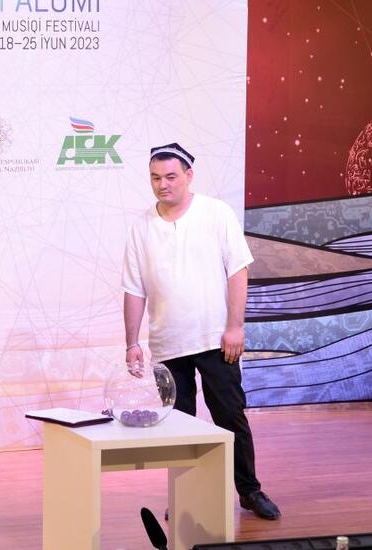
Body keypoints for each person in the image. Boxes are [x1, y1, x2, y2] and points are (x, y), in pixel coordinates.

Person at [121, 143, 281, 520]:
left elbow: (237, 270)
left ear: (189, 176)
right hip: (167, 345)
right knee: (179, 426)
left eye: (170, 177)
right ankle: (185, 496)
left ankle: (249, 491)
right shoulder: (141, 227)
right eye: (155, 178)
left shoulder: (216, 212)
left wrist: (235, 327)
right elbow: (133, 288)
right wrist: (131, 343)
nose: (162, 185)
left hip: (216, 339)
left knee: (230, 416)